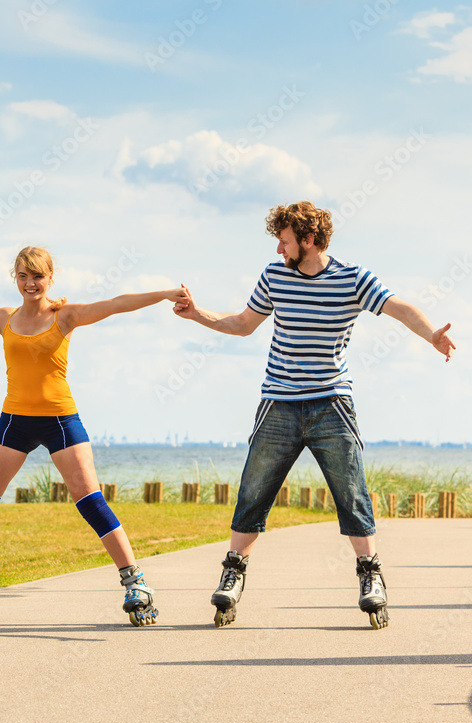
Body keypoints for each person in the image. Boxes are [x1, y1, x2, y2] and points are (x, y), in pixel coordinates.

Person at [173, 201, 456, 630]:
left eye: (284, 240)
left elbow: (400, 308)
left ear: (308, 240)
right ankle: (233, 574)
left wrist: (432, 333)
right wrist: (197, 314)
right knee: (255, 488)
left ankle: (371, 577)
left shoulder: (352, 278)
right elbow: (243, 323)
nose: (278, 249)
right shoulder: (274, 276)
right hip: (279, 402)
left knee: (352, 490)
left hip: (331, 403)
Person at [0, 246, 188, 626]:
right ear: (16, 279)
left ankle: (135, 583)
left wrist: (163, 294)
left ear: (50, 277)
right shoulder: (3, 319)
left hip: (60, 420)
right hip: (14, 421)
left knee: (90, 501)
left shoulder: (66, 315)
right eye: (23, 276)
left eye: (37, 276)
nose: (30, 283)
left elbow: (116, 303)